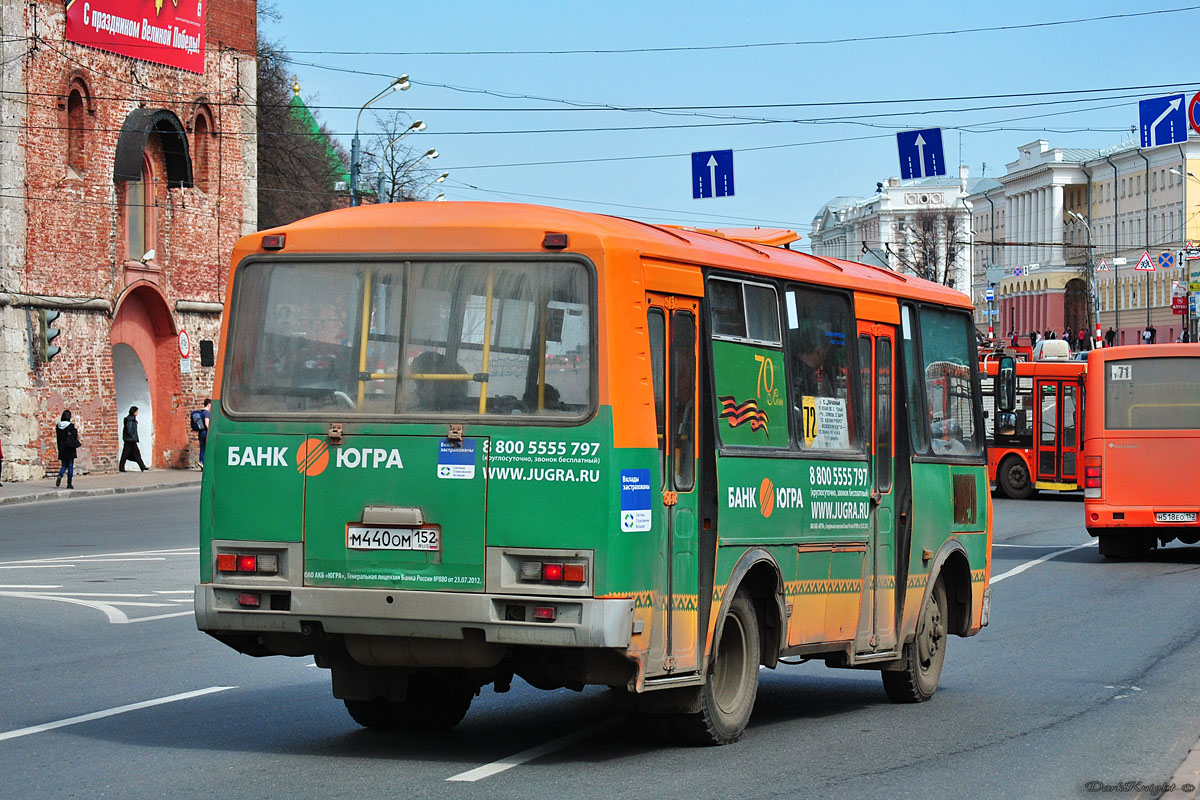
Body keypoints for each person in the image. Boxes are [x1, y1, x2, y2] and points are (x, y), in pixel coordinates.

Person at [55, 409, 81, 489]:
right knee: (70, 466)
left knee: (63, 465)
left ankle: (60, 475)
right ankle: (69, 483)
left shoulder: (58, 426)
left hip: (62, 448)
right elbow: (74, 436)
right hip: (70, 448)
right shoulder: (71, 426)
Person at [119, 406, 148, 472]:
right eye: (137, 411)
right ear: (134, 412)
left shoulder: (131, 419)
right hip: (130, 440)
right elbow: (129, 430)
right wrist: (132, 436)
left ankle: (142, 466)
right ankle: (121, 467)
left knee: (136, 453)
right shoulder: (130, 420)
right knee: (126, 454)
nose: (137, 413)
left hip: (130, 439)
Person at [198, 398, 211, 469]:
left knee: (202, 448)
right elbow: (207, 423)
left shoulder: (201, 411)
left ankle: (201, 462)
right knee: (207, 448)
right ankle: (203, 462)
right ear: (208, 404)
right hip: (205, 432)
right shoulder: (206, 412)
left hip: (200, 432)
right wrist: (210, 431)